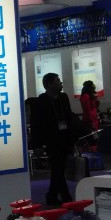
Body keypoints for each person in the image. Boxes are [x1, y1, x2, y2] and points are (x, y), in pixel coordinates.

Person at [29, 72, 81, 205]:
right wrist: (37, 145)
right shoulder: (41, 101)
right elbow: (36, 124)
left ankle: (52, 195)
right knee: (58, 168)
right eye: (57, 81)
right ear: (49, 84)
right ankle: (66, 197)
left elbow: (69, 118)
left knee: (59, 169)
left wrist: (73, 137)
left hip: (65, 138)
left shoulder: (63, 98)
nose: (61, 83)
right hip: (51, 140)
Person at [79, 80, 101, 150]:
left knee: (95, 139)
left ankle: (94, 152)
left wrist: (95, 99)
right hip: (90, 122)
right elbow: (87, 111)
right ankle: (92, 153)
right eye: (92, 85)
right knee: (92, 140)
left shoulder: (90, 96)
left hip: (94, 120)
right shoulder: (85, 96)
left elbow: (95, 107)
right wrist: (92, 123)